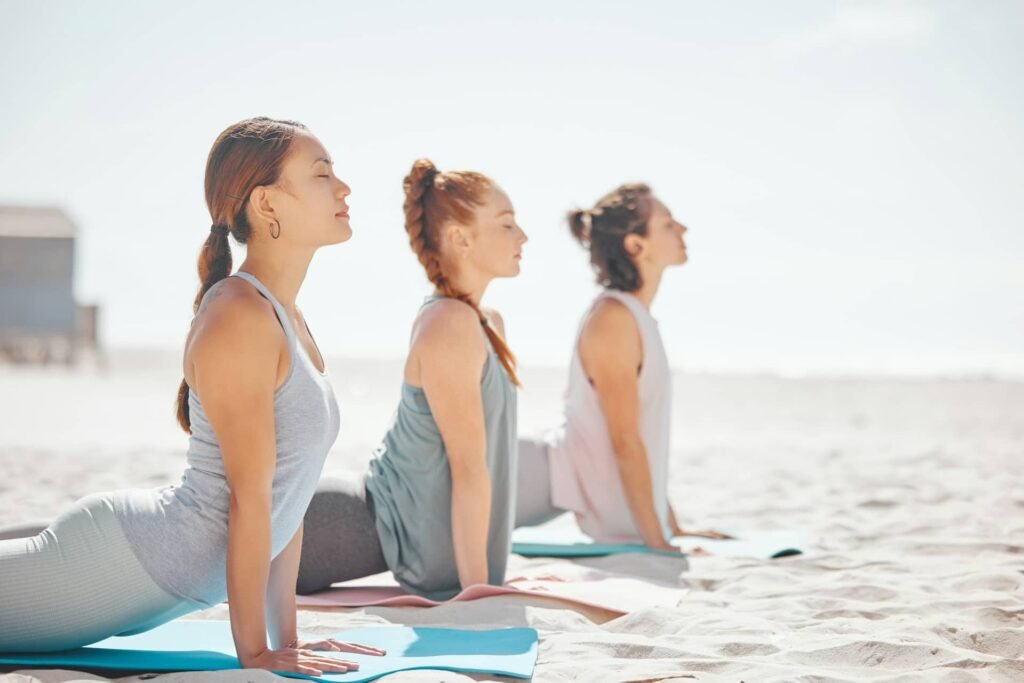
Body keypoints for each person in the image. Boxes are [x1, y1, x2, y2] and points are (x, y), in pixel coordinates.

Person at [0, 117, 383, 677]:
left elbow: (288, 501)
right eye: (323, 174)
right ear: (267, 203)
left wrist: (287, 640)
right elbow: (249, 500)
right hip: (119, 564)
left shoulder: (287, 318)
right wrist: (254, 655)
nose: (344, 187)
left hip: (152, 578)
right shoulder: (239, 316)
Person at [296, 158, 527, 600]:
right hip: (340, 527)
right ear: (460, 238)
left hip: (369, 520)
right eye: (507, 224)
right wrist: (478, 594)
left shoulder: (486, 322)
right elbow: (468, 469)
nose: (523, 236)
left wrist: (488, 580)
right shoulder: (448, 323)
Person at [516, 183, 727, 551]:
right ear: (635, 245)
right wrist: (657, 542)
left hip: (547, 484)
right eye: (667, 224)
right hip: (521, 476)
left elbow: (642, 439)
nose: (683, 229)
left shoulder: (636, 317)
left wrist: (672, 528)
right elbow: (624, 440)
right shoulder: (613, 319)